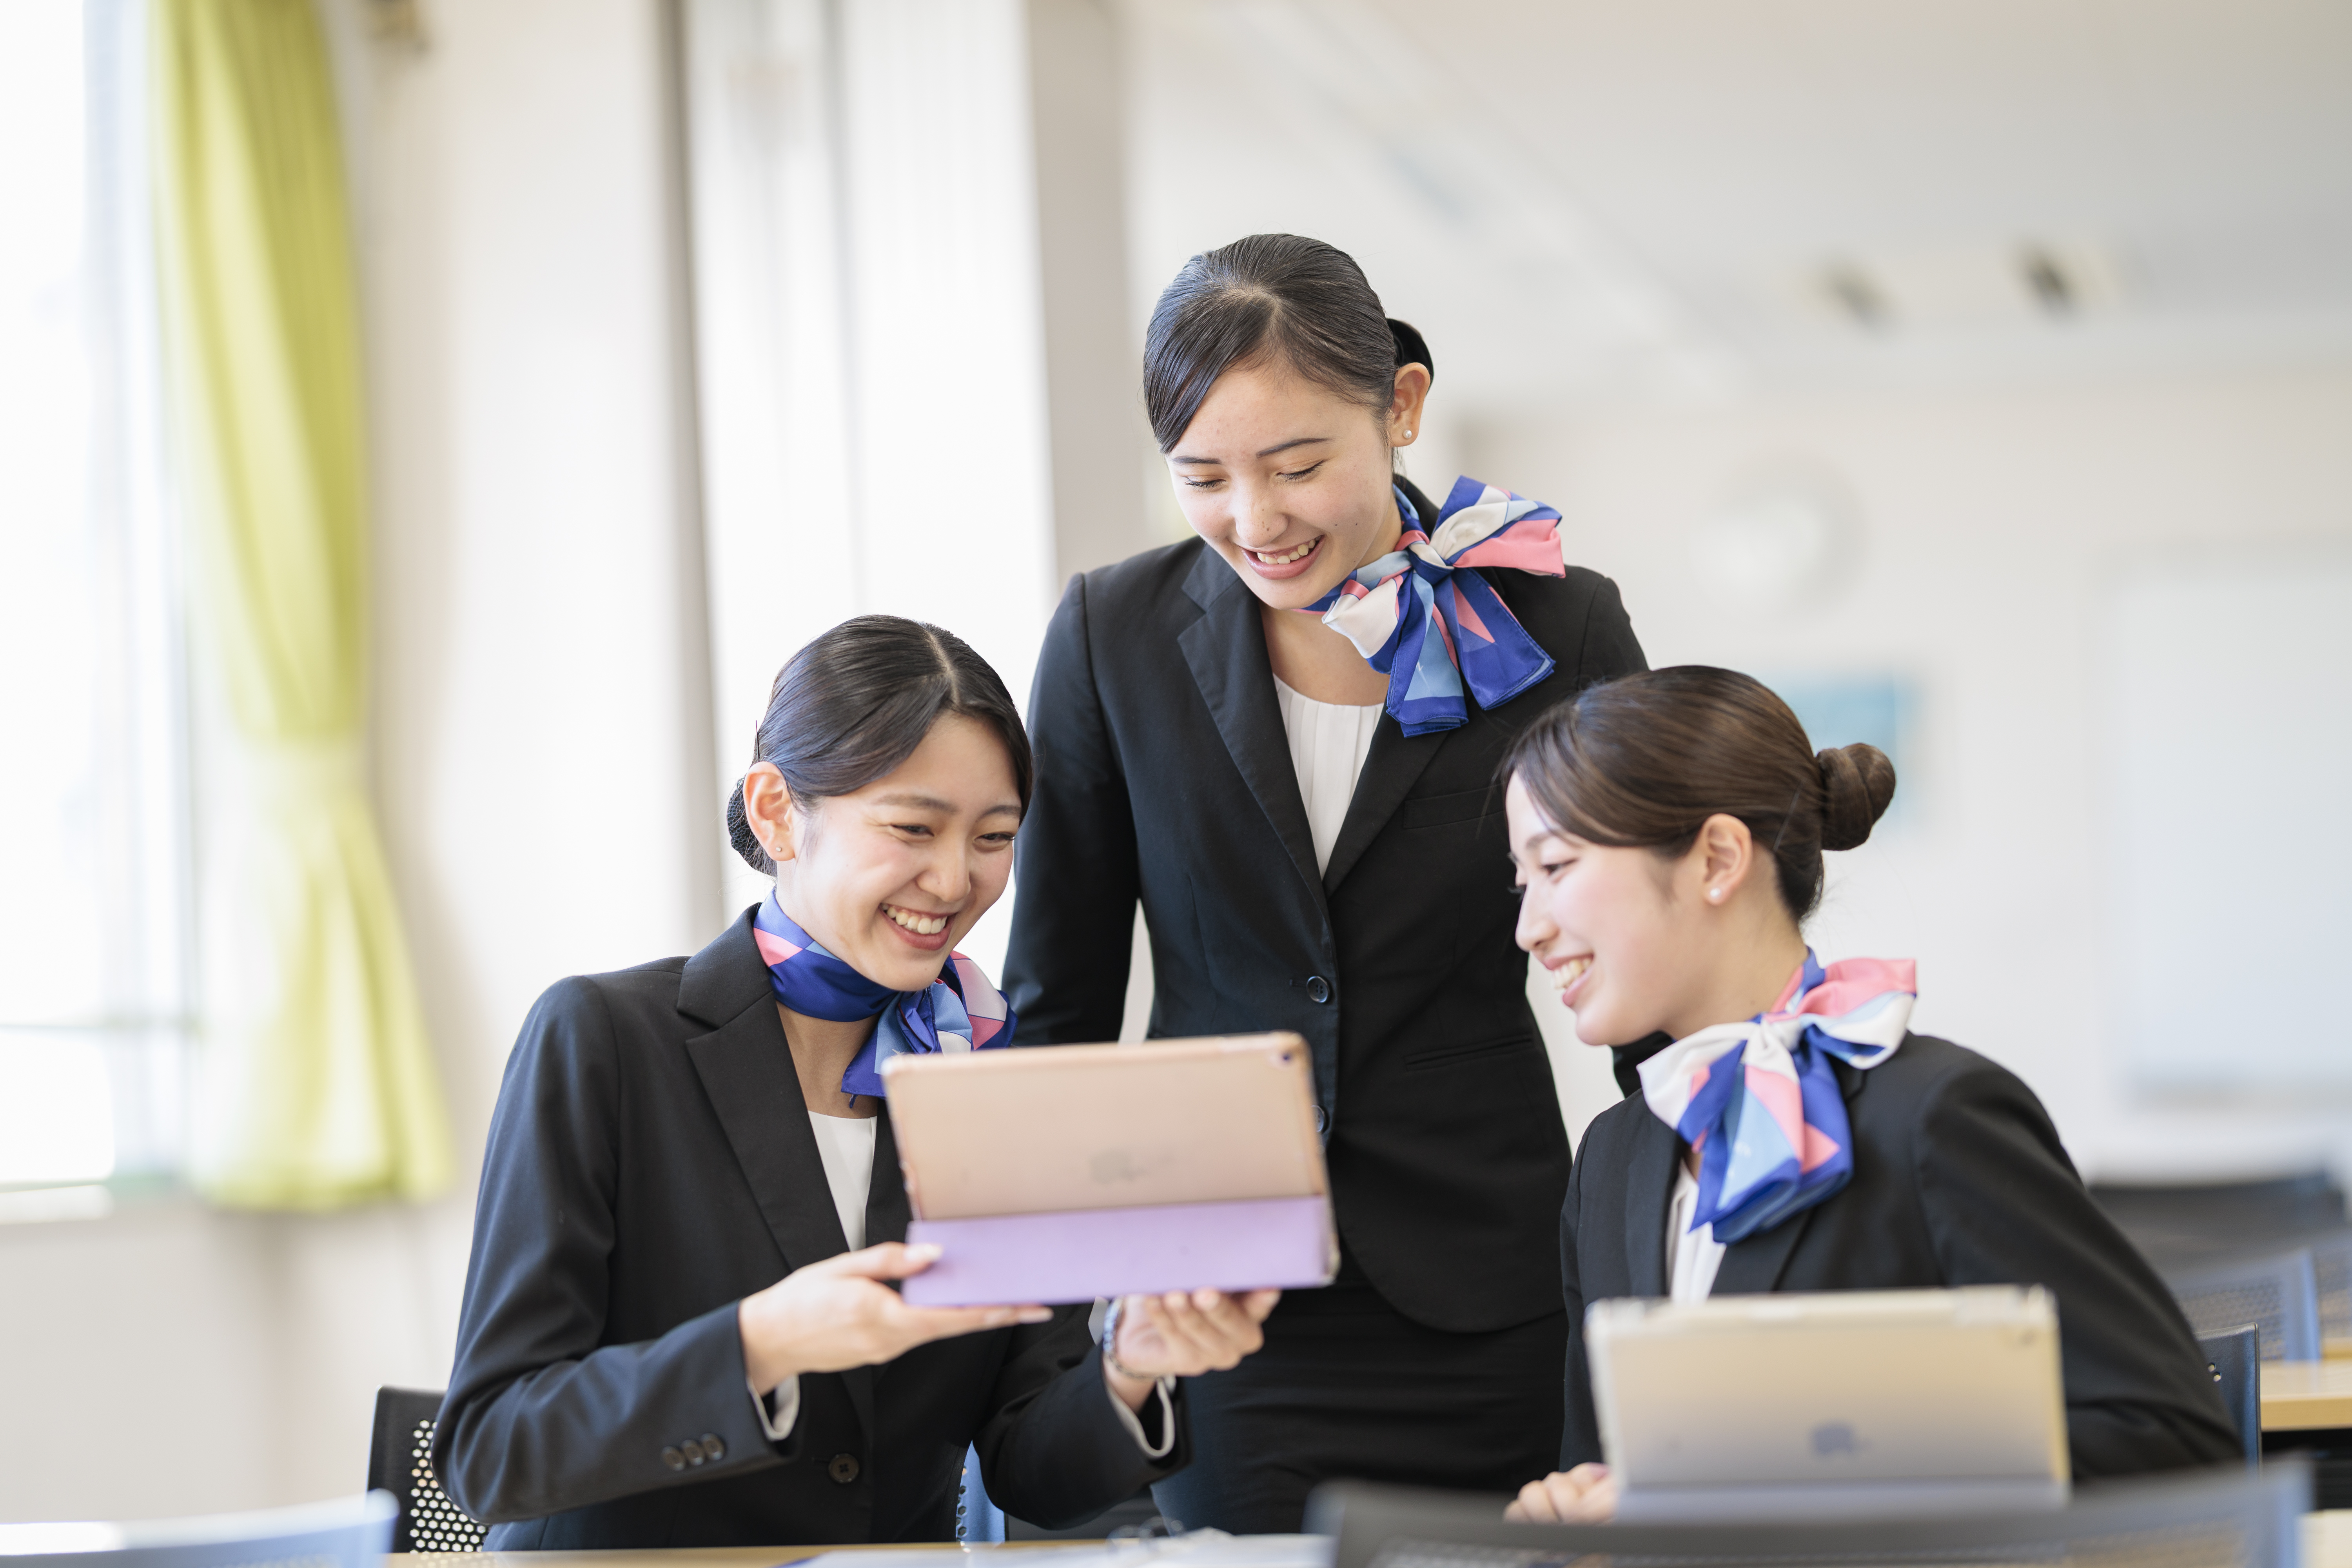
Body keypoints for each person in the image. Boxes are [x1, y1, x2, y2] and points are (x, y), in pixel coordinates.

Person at [1003, 233, 1648, 1532]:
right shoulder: (1112, 638)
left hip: (1490, 1280)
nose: (1256, 520)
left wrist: (1688, 1276)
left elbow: (1650, 964)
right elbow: (1055, 1003)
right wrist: (1062, 1339)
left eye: (1297, 465)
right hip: (1222, 1295)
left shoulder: (1559, 625)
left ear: (1401, 406)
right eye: (1204, 477)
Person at [436, 615, 1277, 1548]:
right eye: (913, 827)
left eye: (994, 836)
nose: (954, 880)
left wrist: (1128, 1369)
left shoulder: (992, 1077)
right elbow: (492, 1446)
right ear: (775, 811)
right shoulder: (606, 1039)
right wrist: (763, 1342)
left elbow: (1026, 1462)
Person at [1499, 666, 2243, 1524]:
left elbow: (2175, 1443)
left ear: (1717, 859)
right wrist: (1576, 1508)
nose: (1528, 928)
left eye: (1557, 865)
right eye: (1522, 882)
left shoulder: (1937, 1115)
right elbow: (1607, 1466)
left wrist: (1771, 1485)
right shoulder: (1612, 1160)